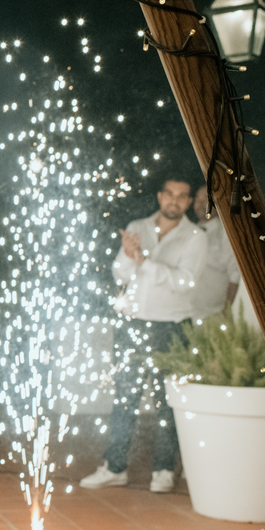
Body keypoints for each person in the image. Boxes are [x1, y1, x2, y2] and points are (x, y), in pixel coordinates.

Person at [82, 178, 207, 494]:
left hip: (173, 327)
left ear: (189, 201)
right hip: (133, 325)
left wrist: (143, 262)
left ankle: (164, 470)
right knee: (124, 399)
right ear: (160, 196)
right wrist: (128, 255)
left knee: (168, 403)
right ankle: (114, 467)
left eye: (182, 196)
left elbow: (185, 282)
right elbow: (121, 274)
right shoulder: (138, 225)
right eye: (170, 194)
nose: (174, 201)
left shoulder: (196, 237)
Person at [190, 185, 241, 318]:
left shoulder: (225, 231)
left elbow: (235, 272)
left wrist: (226, 310)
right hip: (193, 314)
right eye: (198, 199)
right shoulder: (191, 233)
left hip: (217, 313)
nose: (201, 203)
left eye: (206, 198)